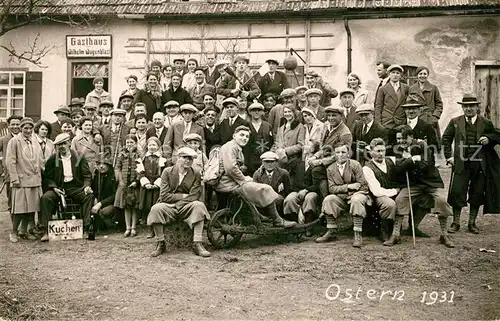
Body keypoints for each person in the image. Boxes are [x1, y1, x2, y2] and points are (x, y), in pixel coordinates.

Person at [216, 125, 296, 228]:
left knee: (256, 186)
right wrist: (244, 179)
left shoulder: (235, 147)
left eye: (247, 136)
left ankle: (259, 215)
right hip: (229, 184)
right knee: (266, 188)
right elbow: (231, 168)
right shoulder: (230, 147)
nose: (244, 138)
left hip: (232, 182)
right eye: (241, 135)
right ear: (234, 136)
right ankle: (277, 220)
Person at [442, 93, 500, 234]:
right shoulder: (455, 122)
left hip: (479, 164)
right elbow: (446, 139)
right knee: (457, 192)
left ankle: (472, 223)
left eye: (471, 106)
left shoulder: (485, 122)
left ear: (477, 107)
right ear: (462, 108)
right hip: (461, 163)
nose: (469, 109)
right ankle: (455, 223)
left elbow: (497, 135)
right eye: (466, 106)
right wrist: (449, 157)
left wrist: (488, 138)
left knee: (477, 193)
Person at [391, 125, 455, 248]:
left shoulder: (422, 145)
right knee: (400, 200)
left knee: (441, 200)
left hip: (430, 182)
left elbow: (425, 164)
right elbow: (398, 169)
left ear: (411, 137)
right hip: (413, 184)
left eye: (404, 138)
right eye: (398, 138)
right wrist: (411, 160)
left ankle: (444, 234)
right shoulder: (398, 149)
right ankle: (395, 234)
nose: (401, 141)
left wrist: (409, 162)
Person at [147, 146, 211, 257]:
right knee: (156, 208)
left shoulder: (195, 174)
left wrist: (178, 203)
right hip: (168, 206)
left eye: (190, 159)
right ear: (178, 158)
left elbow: (194, 195)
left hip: (186, 206)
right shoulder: (167, 172)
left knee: (199, 205)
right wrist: (182, 196)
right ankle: (160, 243)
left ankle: (197, 243)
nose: (188, 161)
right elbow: (164, 196)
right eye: (185, 157)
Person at [39, 133, 94, 241]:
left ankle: (87, 228)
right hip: (59, 187)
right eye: (59, 145)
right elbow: (47, 178)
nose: (62, 146)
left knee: (88, 196)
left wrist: (86, 186)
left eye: (64, 143)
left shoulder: (79, 157)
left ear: (69, 143)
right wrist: (54, 187)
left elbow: (87, 175)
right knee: (46, 198)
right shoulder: (53, 159)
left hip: (75, 186)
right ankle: (45, 230)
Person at [318, 142, 369, 247]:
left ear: (348, 153)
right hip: (342, 197)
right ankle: (331, 230)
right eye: (337, 152)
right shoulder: (330, 169)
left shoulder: (355, 165)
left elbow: (363, 185)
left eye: (343, 152)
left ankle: (357, 234)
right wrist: (348, 187)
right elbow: (332, 188)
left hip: (358, 194)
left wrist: (354, 193)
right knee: (329, 199)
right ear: (334, 154)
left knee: (356, 200)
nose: (340, 155)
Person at [5, 118, 44, 242]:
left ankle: (24, 231)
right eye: (25, 128)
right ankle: (14, 232)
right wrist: (14, 178)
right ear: (21, 128)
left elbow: (40, 159)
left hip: (35, 180)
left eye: (30, 128)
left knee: (31, 208)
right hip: (21, 181)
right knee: (19, 209)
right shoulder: (14, 141)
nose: (28, 130)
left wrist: (41, 171)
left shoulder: (35, 141)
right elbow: (10, 161)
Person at [307, 106, 353, 198]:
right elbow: (324, 147)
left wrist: (320, 162)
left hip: (338, 163)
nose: (331, 118)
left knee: (317, 170)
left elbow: (340, 156)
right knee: (309, 167)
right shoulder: (327, 126)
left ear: (341, 116)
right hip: (327, 160)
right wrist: (315, 156)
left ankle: (324, 197)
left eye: (334, 115)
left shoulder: (345, 133)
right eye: (329, 115)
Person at [362, 138, 399, 243]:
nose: (381, 154)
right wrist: (396, 191)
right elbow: (376, 191)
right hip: (378, 197)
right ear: (371, 152)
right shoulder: (367, 168)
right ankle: (384, 231)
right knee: (389, 204)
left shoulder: (391, 160)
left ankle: (400, 229)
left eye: (383, 151)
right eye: (378, 151)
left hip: (392, 192)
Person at [137, 137, 167, 237]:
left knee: (156, 207)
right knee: (147, 207)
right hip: (147, 186)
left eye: (154, 145)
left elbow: (164, 173)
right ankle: (150, 228)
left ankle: (157, 229)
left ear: (158, 147)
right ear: (147, 146)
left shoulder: (162, 159)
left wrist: (157, 183)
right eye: (150, 145)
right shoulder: (143, 158)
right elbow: (140, 172)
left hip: (157, 187)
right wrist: (146, 183)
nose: (152, 147)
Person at [409, 66, 444, 150]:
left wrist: (435, 117)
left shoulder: (433, 88)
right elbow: (409, 104)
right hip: (418, 118)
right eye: (420, 74)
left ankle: (433, 159)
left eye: (425, 74)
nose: (422, 76)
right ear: (417, 75)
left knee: (432, 143)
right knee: (418, 143)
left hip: (430, 118)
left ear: (427, 75)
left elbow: (439, 104)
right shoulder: (412, 88)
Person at [115, 134, 140, 237]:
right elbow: (118, 168)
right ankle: (127, 227)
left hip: (134, 184)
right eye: (127, 143)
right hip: (124, 184)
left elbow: (141, 169)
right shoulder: (122, 155)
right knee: (126, 206)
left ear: (136, 143)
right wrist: (120, 180)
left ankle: (134, 227)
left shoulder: (139, 154)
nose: (129, 145)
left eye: (132, 142)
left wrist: (137, 181)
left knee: (134, 206)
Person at [272, 105, 304, 188]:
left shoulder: (300, 127)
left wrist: (285, 150)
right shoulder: (281, 127)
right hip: (279, 160)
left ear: (294, 113)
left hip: (292, 161)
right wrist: (272, 152)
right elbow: (276, 142)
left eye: (289, 111)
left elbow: (301, 145)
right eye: (285, 112)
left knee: (289, 184)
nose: (287, 114)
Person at [374, 64, 409, 129]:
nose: (395, 75)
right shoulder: (383, 89)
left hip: (401, 121)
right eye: (393, 73)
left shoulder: (406, 88)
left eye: (397, 73)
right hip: (387, 122)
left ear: (400, 75)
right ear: (389, 74)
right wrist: (378, 124)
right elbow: (378, 107)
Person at [90, 153, 119, 232]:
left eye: (104, 164)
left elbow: (115, 195)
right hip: (99, 202)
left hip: (113, 204)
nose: (101, 166)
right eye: (99, 164)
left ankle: (112, 226)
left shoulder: (114, 175)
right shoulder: (96, 175)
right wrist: (95, 199)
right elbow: (93, 190)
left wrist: (100, 204)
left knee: (104, 212)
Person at [0, 115, 22, 210]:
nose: (15, 126)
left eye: (18, 124)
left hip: (24, 175)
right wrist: (2, 168)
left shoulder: (26, 138)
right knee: (12, 202)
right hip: (10, 176)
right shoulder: (4, 140)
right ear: (8, 126)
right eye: (13, 124)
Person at [246, 102, 273, 174]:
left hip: (265, 157)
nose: (256, 112)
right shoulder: (246, 125)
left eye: (259, 110)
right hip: (250, 158)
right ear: (250, 112)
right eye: (254, 110)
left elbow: (272, 141)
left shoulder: (268, 126)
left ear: (262, 112)